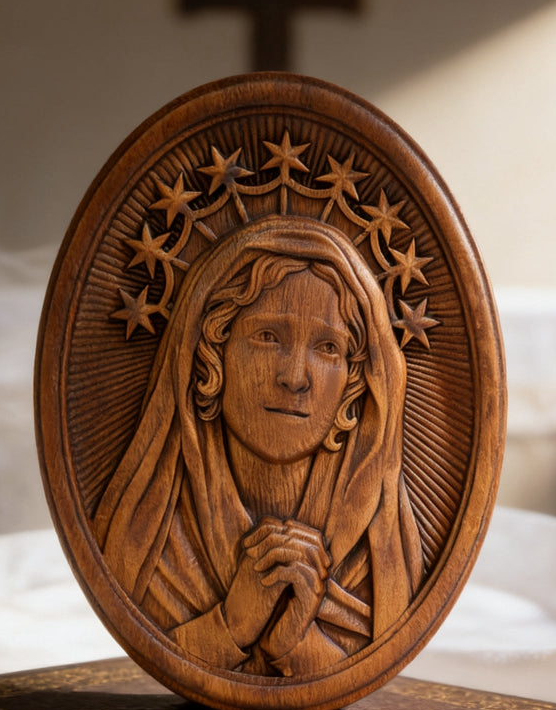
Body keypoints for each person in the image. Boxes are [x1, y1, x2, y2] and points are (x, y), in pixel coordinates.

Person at [94, 217, 423, 676]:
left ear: (354, 383)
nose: (295, 377)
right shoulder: (148, 538)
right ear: (211, 354)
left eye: (328, 347)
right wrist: (231, 623)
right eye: (268, 337)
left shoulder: (380, 557)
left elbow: (370, 677)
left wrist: (296, 642)